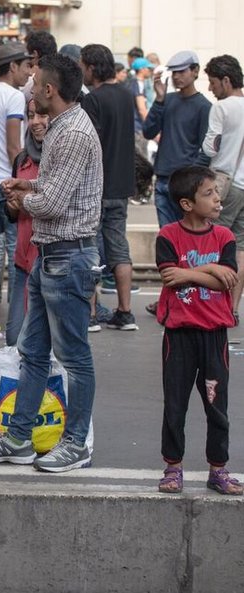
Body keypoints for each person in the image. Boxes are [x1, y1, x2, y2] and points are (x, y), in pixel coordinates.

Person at [0, 54, 102, 473]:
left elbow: (53, 203)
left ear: (50, 90)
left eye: (34, 83)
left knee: (75, 357)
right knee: (33, 353)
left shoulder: (73, 134)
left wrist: (21, 198)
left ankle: (76, 442)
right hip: (50, 257)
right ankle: (18, 439)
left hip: (67, 257)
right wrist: (26, 183)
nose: (28, 89)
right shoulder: (63, 129)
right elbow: (55, 186)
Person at [155, 166, 242, 496]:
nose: (217, 198)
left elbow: (228, 279)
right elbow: (168, 277)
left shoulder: (225, 238)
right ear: (187, 204)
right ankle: (173, 467)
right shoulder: (168, 235)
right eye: (209, 193)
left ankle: (218, 469)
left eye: (216, 192)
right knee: (175, 406)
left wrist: (190, 272)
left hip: (214, 335)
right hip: (178, 335)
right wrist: (209, 269)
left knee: (217, 406)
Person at [80, 44, 138, 331]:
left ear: (92, 67)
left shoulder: (94, 100)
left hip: (96, 186)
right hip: (122, 185)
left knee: (90, 249)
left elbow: (89, 145)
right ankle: (125, 312)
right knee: (119, 248)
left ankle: (90, 313)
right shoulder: (127, 95)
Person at [0, 42, 33, 309]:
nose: (29, 71)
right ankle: (17, 310)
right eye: (25, 66)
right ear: (12, 66)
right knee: (17, 254)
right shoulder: (13, 96)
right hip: (7, 184)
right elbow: (14, 145)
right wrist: (20, 182)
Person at [143, 50, 212, 229]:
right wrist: (158, 100)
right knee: (167, 236)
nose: (177, 76)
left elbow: (206, 149)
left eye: (182, 71)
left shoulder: (204, 106)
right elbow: (148, 132)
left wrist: (191, 179)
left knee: (187, 237)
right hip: (163, 178)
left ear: (195, 71)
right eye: (174, 72)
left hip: (186, 182)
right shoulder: (167, 100)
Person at [204, 55, 244, 325]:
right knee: (240, 246)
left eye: (213, 82)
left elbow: (210, 147)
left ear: (226, 81)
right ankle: (233, 307)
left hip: (225, 182)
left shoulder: (222, 108)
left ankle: (211, 304)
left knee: (212, 242)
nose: (211, 88)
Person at [5, 99, 48, 347]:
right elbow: (12, 213)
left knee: (48, 344)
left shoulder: (62, 158)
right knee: (14, 339)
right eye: (30, 116)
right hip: (23, 263)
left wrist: (25, 199)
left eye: (42, 115)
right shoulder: (22, 159)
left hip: (52, 264)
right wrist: (11, 204)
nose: (35, 123)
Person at [130, 57, 154, 163]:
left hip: (135, 127)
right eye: (148, 68)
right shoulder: (138, 84)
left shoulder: (132, 83)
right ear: (142, 69)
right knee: (142, 160)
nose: (150, 71)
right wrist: (150, 126)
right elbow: (141, 109)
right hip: (138, 128)